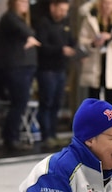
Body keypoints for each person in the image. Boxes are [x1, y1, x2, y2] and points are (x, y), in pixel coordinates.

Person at [0, 0, 40, 152]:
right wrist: (30, 38)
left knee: (20, 102)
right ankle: (10, 137)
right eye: (21, 1)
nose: (25, 4)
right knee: (19, 102)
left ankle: (11, 136)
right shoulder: (10, 18)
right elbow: (29, 33)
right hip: (15, 67)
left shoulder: (20, 19)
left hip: (24, 67)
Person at [36, 0, 77, 149]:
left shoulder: (65, 24)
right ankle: (46, 135)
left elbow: (72, 41)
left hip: (61, 69)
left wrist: (75, 50)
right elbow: (41, 46)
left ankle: (53, 133)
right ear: (52, 7)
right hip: (47, 69)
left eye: (65, 10)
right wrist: (60, 50)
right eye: (60, 10)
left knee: (56, 104)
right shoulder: (44, 23)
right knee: (46, 102)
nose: (63, 13)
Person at [78, 0, 112, 106]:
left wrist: (111, 38)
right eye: (104, 3)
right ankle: (94, 121)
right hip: (95, 64)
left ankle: (110, 122)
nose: (107, 7)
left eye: (110, 4)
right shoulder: (90, 18)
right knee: (93, 100)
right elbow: (82, 41)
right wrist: (93, 43)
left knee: (111, 101)